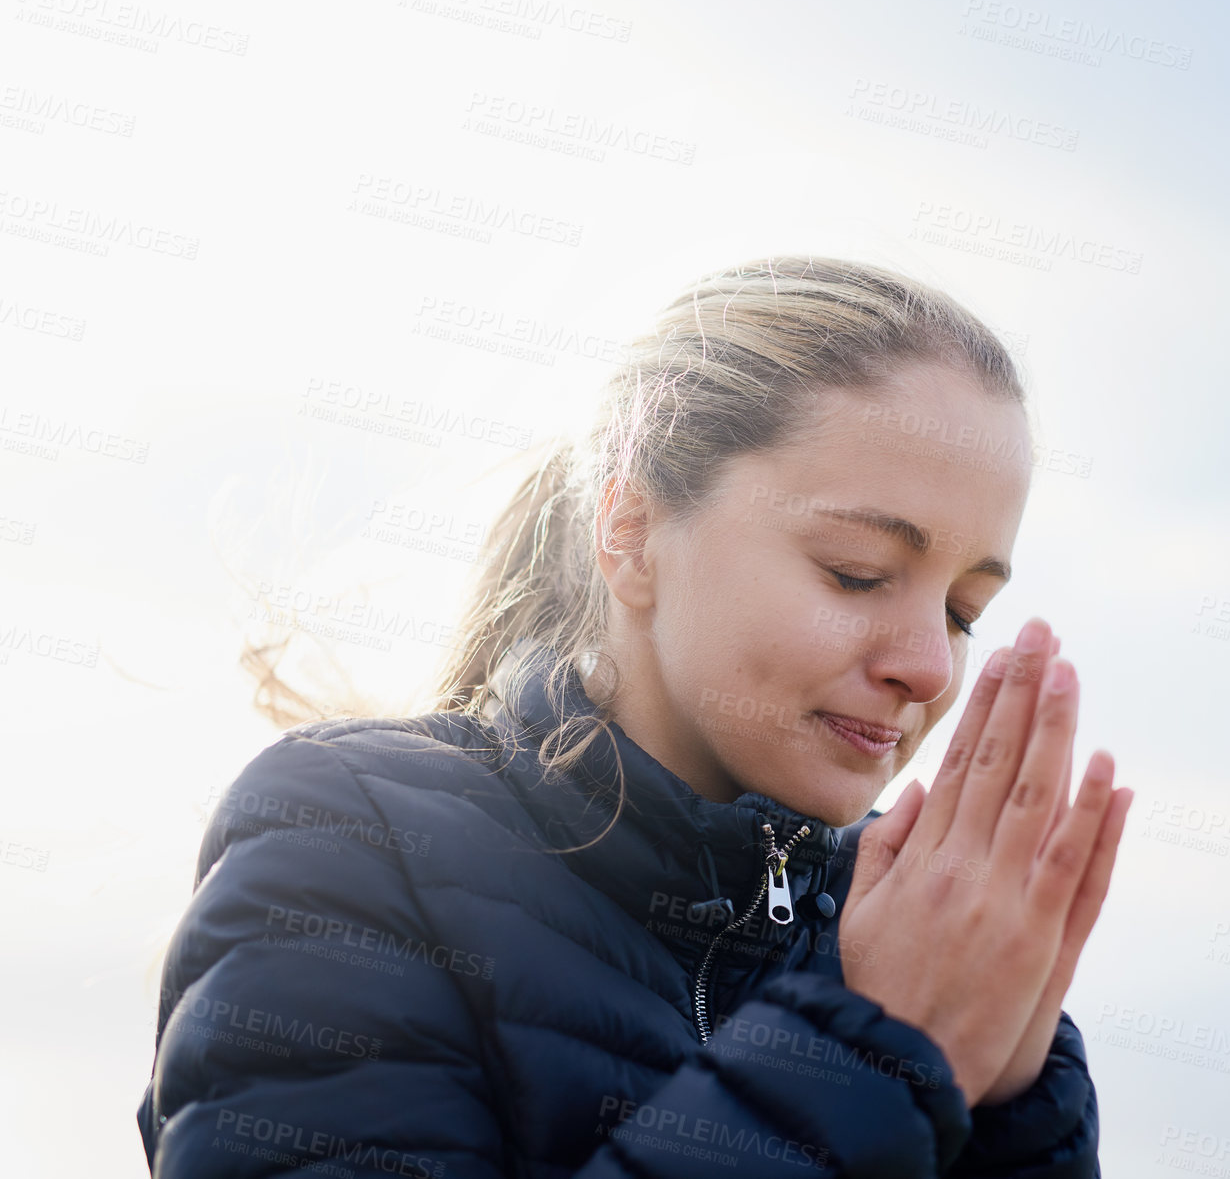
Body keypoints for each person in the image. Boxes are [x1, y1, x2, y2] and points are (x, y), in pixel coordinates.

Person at [136, 255, 1135, 1178]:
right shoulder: (349, 834)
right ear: (632, 529)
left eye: (963, 612)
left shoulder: (912, 946)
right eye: (856, 572)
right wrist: (859, 1054)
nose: (927, 666)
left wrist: (1011, 1104)